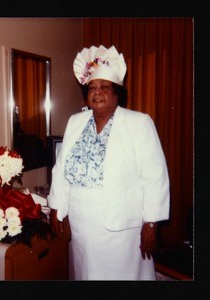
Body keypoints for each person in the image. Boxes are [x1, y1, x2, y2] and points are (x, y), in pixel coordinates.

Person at [47, 45, 170, 280]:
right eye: (92, 88)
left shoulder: (139, 123)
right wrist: (56, 207)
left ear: (117, 93)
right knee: (88, 273)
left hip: (122, 224)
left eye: (105, 87)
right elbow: (61, 167)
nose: (97, 92)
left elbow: (155, 176)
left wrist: (151, 224)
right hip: (82, 220)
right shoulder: (76, 122)